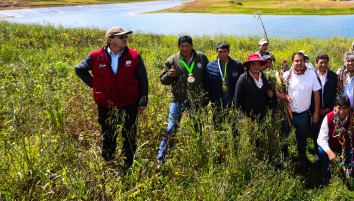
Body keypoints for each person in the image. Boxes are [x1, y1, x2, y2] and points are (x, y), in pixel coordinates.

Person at [74, 27, 149, 169]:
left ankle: (129, 164)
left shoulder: (134, 55)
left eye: (125, 36)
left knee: (130, 134)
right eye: (121, 37)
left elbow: (143, 79)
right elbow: (79, 69)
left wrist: (143, 100)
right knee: (108, 134)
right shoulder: (95, 56)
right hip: (106, 103)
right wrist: (95, 85)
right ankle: (109, 163)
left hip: (130, 102)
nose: (124, 39)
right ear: (109, 40)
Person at [157, 36, 210, 168]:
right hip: (178, 99)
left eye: (187, 45)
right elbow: (163, 80)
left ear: (192, 45)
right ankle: (161, 160)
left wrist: (206, 98)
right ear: (178, 47)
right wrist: (170, 75)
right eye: (182, 46)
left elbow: (208, 77)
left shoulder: (201, 58)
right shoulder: (173, 59)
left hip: (195, 100)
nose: (185, 48)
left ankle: (199, 154)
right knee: (171, 127)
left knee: (197, 127)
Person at [277, 52, 321, 173]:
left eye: (301, 60)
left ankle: (303, 163)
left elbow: (317, 94)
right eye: (296, 61)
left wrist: (316, 112)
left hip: (303, 115)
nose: (299, 63)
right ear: (292, 62)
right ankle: (284, 162)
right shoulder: (286, 75)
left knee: (301, 140)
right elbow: (279, 91)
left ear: (304, 62)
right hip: (287, 115)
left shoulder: (311, 75)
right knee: (284, 139)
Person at [317, 95, 354, 185]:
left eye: (344, 108)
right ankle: (327, 177)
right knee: (321, 150)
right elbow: (320, 139)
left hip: (348, 147)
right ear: (335, 108)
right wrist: (329, 152)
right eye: (339, 108)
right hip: (332, 146)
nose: (341, 111)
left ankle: (340, 165)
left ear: (349, 108)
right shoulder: (328, 118)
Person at [205, 41, 244, 126]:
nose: (222, 54)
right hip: (217, 103)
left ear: (228, 52)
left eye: (224, 51)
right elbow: (207, 86)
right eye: (220, 52)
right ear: (216, 52)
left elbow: (243, 85)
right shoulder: (210, 66)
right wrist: (205, 103)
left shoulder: (237, 65)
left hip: (233, 102)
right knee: (218, 126)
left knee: (234, 127)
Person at [310, 54, 338, 162]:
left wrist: (330, 108)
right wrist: (315, 109)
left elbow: (337, 93)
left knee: (330, 132)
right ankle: (318, 155)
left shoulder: (333, 76)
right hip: (315, 111)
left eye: (325, 62)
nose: (323, 64)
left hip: (329, 110)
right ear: (316, 64)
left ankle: (330, 154)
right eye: (320, 62)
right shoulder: (312, 76)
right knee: (316, 132)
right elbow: (308, 95)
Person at [234, 54, 275, 120]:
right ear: (249, 65)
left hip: (264, 116)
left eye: (258, 64)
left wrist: (271, 94)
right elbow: (237, 99)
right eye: (254, 64)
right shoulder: (243, 78)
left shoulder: (263, 77)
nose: (256, 66)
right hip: (248, 117)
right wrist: (239, 118)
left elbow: (268, 91)